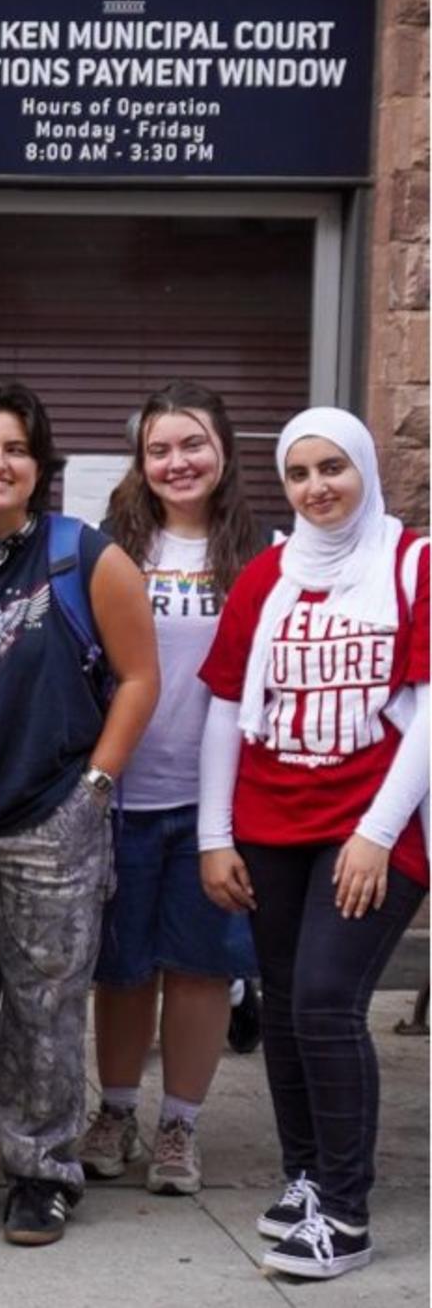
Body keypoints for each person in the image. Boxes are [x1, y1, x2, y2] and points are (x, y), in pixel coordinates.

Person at [0, 378, 159, 1247]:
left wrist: (95, 789)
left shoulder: (85, 556)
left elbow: (140, 678)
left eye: (15, 448)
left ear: (40, 465)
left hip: (53, 818)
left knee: (46, 1008)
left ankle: (43, 1170)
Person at [197, 407, 428, 1282]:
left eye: (333, 467)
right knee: (290, 1004)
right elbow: (226, 707)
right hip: (269, 823)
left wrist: (376, 833)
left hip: (371, 823)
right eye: (298, 473)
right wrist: (213, 835)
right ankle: (306, 1177)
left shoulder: (413, 564)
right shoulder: (268, 573)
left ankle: (346, 1213)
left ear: (366, 469)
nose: (316, 487)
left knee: (329, 1001)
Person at [80, 382, 264, 1197]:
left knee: (199, 966)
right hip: (121, 791)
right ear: (140, 460)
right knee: (121, 968)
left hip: (215, 804)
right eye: (159, 449)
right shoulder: (109, 548)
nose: (177, 462)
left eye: (193, 444)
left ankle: (180, 1125)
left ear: (224, 451)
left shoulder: (263, 556)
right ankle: (116, 1111)